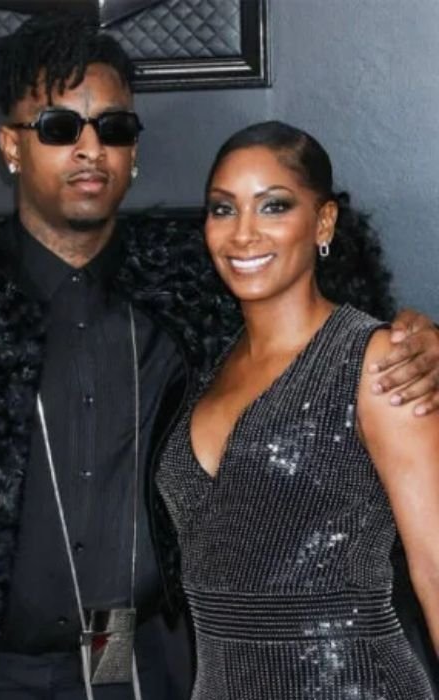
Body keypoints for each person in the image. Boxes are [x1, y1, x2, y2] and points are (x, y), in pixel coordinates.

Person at [0, 14, 439, 700]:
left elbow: (322, 317)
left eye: (113, 128)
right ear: (12, 146)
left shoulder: (194, 283)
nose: (90, 149)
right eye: (59, 128)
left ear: (133, 152)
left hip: (142, 666)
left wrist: (420, 339)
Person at [156, 121, 439, 699]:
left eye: (274, 206)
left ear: (323, 222)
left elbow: (436, 569)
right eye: (223, 209)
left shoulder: (377, 361)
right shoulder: (203, 365)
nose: (244, 233)